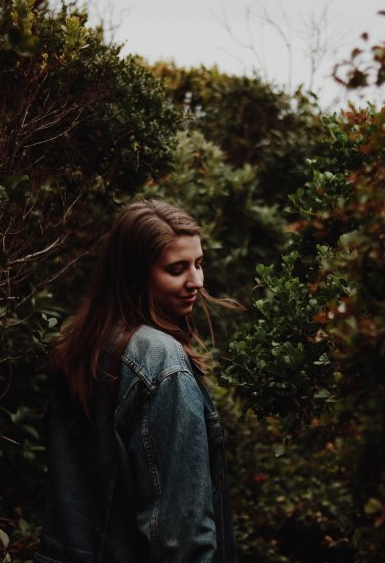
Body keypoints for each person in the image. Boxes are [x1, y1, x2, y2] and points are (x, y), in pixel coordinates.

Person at [35, 199, 239, 563]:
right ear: (135, 274)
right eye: (176, 269)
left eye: (198, 263)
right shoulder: (162, 362)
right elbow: (180, 535)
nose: (196, 281)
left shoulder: (82, 346)